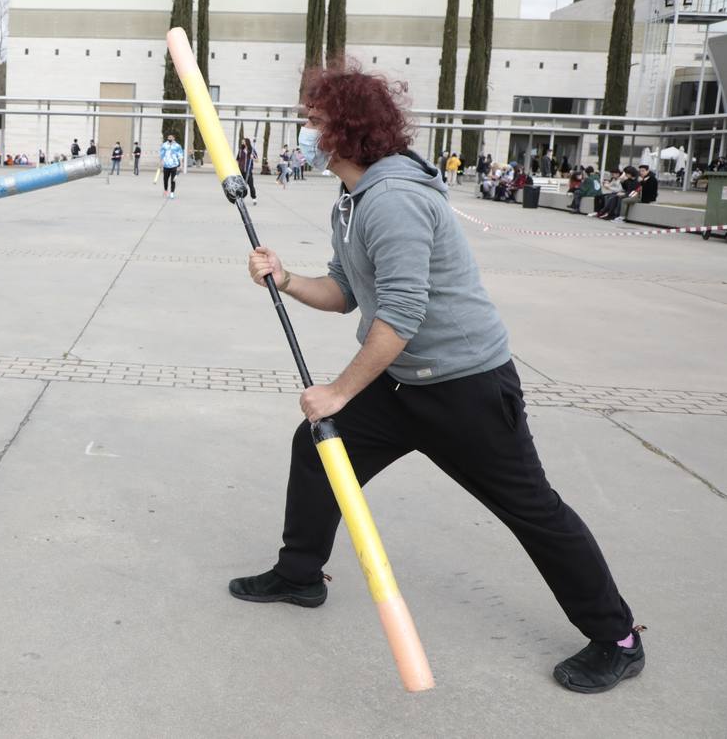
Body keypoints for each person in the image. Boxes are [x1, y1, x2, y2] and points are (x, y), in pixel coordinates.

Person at [232, 66, 643, 694]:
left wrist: (338, 392)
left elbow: (400, 313)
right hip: (399, 382)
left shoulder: (394, 200)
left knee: (531, 510)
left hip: (465, 387)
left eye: (312, 119)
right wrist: (286, 279)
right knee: (316, 450)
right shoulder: (354, 198)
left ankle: (618, 637)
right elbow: (347, 292)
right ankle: (299, 574)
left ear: (343, 130)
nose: (303, 129)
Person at [159, 132, 184, 198]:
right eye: (168, 137)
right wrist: (161, 162)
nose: (169, 138)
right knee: (165, 179)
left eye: (171, 137)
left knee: (173, 180)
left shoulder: (177, 146)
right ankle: (165, 190)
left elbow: (180, 156)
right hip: (166, 165)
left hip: (174, 165)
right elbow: (162, 154)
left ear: (173, 138)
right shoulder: (164, 145)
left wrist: (181, 165)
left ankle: (172, 192)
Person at [236, 136, 258, 205]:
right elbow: (237, 160)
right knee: (242, 186)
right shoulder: (240, 150)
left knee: (251, 185)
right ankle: (242, 197)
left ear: (247, 142)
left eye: (243, 141)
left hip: (248, 172)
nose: (242, 142)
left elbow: (257, 160)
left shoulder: (252, 150)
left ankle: (254, 198)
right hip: (241, 171)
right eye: (242, 142)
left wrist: (252, 158)